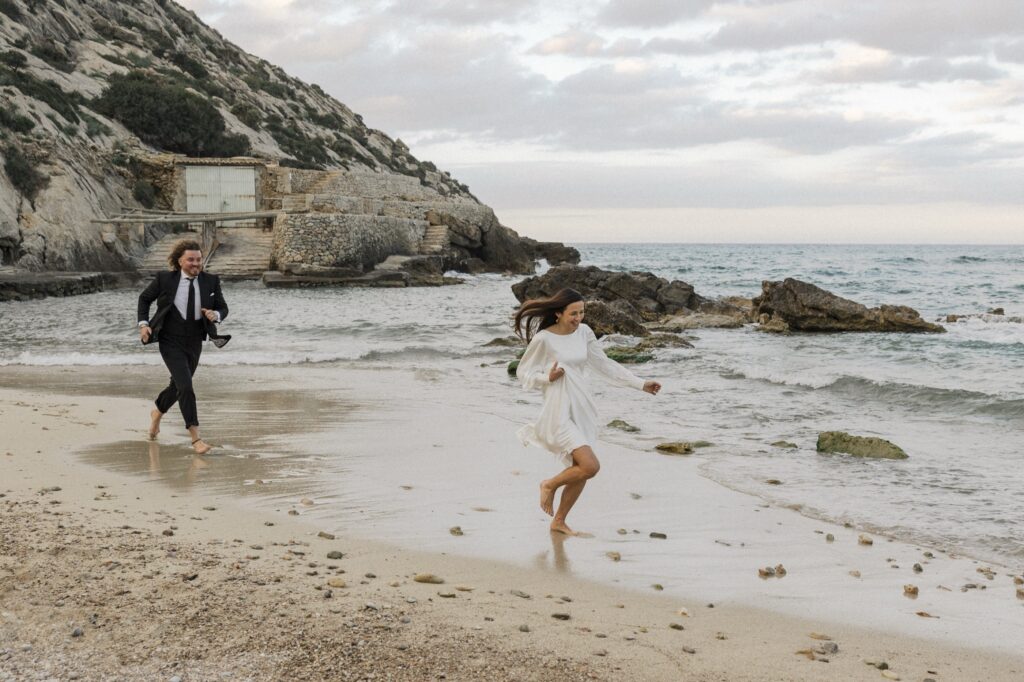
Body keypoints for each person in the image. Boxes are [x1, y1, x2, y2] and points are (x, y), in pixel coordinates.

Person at [513, 288, 661, 535]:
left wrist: (640, 384)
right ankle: (548, 485)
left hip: (582, 408)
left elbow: (604, 364)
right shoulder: (544, 339)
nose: (578, 318)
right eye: (573, 313)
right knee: (590, 466)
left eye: (581, 312)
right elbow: (523, 372)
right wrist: (546, 378)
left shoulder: (584, 333)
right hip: (558, 411)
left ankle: (559, 520)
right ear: (558, 314)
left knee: (580, 469)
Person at [137, 239, 230, 454]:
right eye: (191, 260)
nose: (196, 264)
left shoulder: (211, 281)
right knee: (186, 387)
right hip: (169, 340)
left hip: (194, 341)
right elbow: (144, 299)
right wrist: (144, 325)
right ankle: (196, 439)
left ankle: (157, 413)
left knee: (177, 386)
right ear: (180, 261)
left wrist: (215, 315)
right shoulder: (164, 279)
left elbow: (223, 308)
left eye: (198, 260)